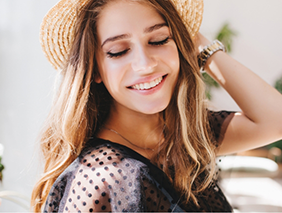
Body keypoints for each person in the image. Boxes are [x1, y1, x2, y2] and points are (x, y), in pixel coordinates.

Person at [31, 0, 282, 212]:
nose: (145, 64)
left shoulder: (182, 134)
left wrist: (203, 49)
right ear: (94, 68)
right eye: (118, 51)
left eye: (159, 39)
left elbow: (275, 120)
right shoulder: (102, 179)